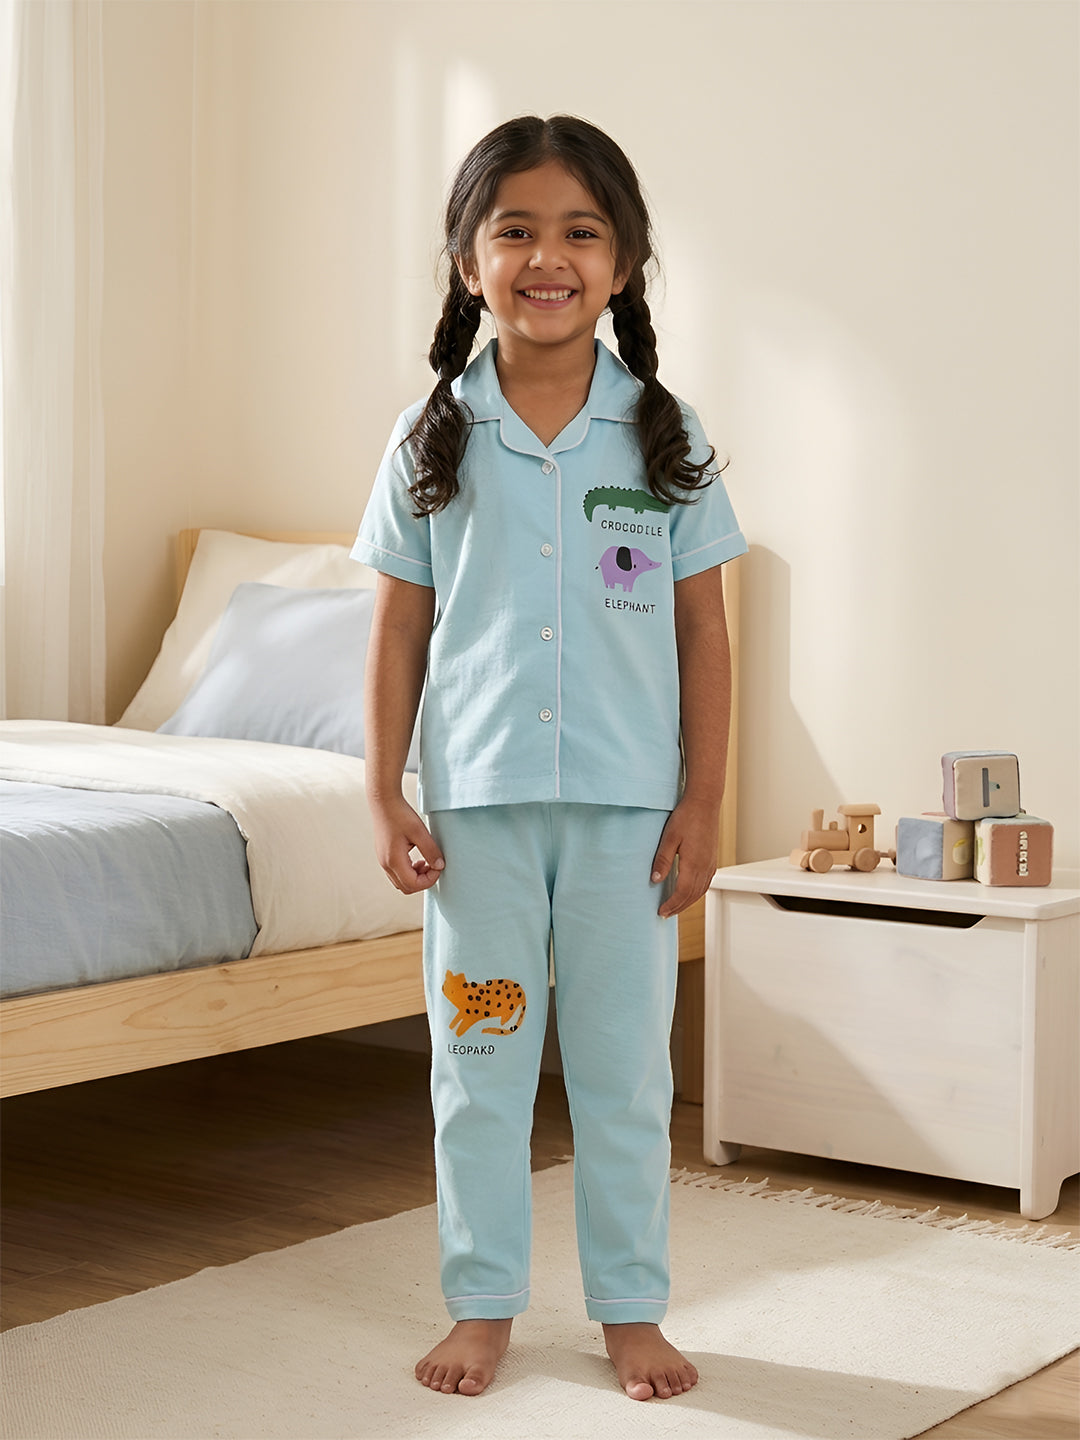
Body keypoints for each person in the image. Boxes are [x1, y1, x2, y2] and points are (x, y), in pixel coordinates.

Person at [352, 114, 747, 1402]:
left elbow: (704, 630)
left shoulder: (664, 436)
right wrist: (381, 789)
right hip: (481, 816)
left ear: (623, 262)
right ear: (468, 261)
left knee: (626, 1072)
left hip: (630, 816)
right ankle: (483, 1305)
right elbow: (399, 628)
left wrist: (702, 800)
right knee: (481, 1068)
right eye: (514, 229)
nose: (547, 257)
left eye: (581, 231)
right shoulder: (430, 437)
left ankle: (630, 1309)